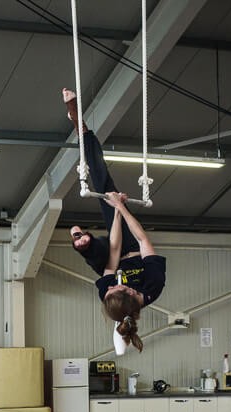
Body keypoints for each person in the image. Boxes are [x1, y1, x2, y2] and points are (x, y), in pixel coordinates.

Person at [62, 88, 166, 353]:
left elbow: (114, 252)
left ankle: (83, 245)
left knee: (101, 255)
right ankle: (81, 129)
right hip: (131, 245)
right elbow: (142, 239)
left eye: (111, 290)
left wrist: (116, 211)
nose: (116, 285)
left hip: (112, 253)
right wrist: (120, 206)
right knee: (102, 182)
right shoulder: (153, 286)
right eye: (118, 288)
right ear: (132, 294)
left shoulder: (109, 294)